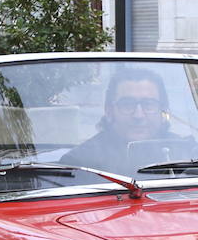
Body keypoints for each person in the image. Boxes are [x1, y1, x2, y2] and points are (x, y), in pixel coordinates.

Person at [62, 67, 190, 174]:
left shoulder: (188, 154)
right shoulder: (80, 162)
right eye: (127, 104)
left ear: (163, 109)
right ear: (109, 110)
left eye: (148, 104)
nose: (138, 115)